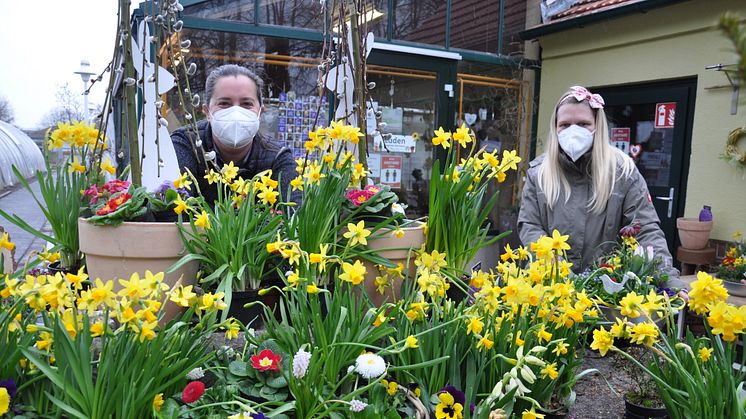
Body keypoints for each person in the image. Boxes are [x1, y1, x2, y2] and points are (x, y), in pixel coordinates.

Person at [518, 86, 680, 281]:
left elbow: (645, 231)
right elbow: (530, 227)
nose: (573, 131)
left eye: (583, 123)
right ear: (555, 128)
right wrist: (559, 272)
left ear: (597, 126)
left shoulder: (623, 172)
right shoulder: (539, 173)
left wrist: (667, 281)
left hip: (604, 289)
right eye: (565, 125)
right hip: (548, 284)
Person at [171, 64, 300, 205]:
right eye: (224, 103)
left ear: (260, 112)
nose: (236, 112)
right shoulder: (186, 143)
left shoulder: (277, 157)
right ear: (207, 111)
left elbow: (294, 215)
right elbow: (173, 210)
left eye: (246, 104)